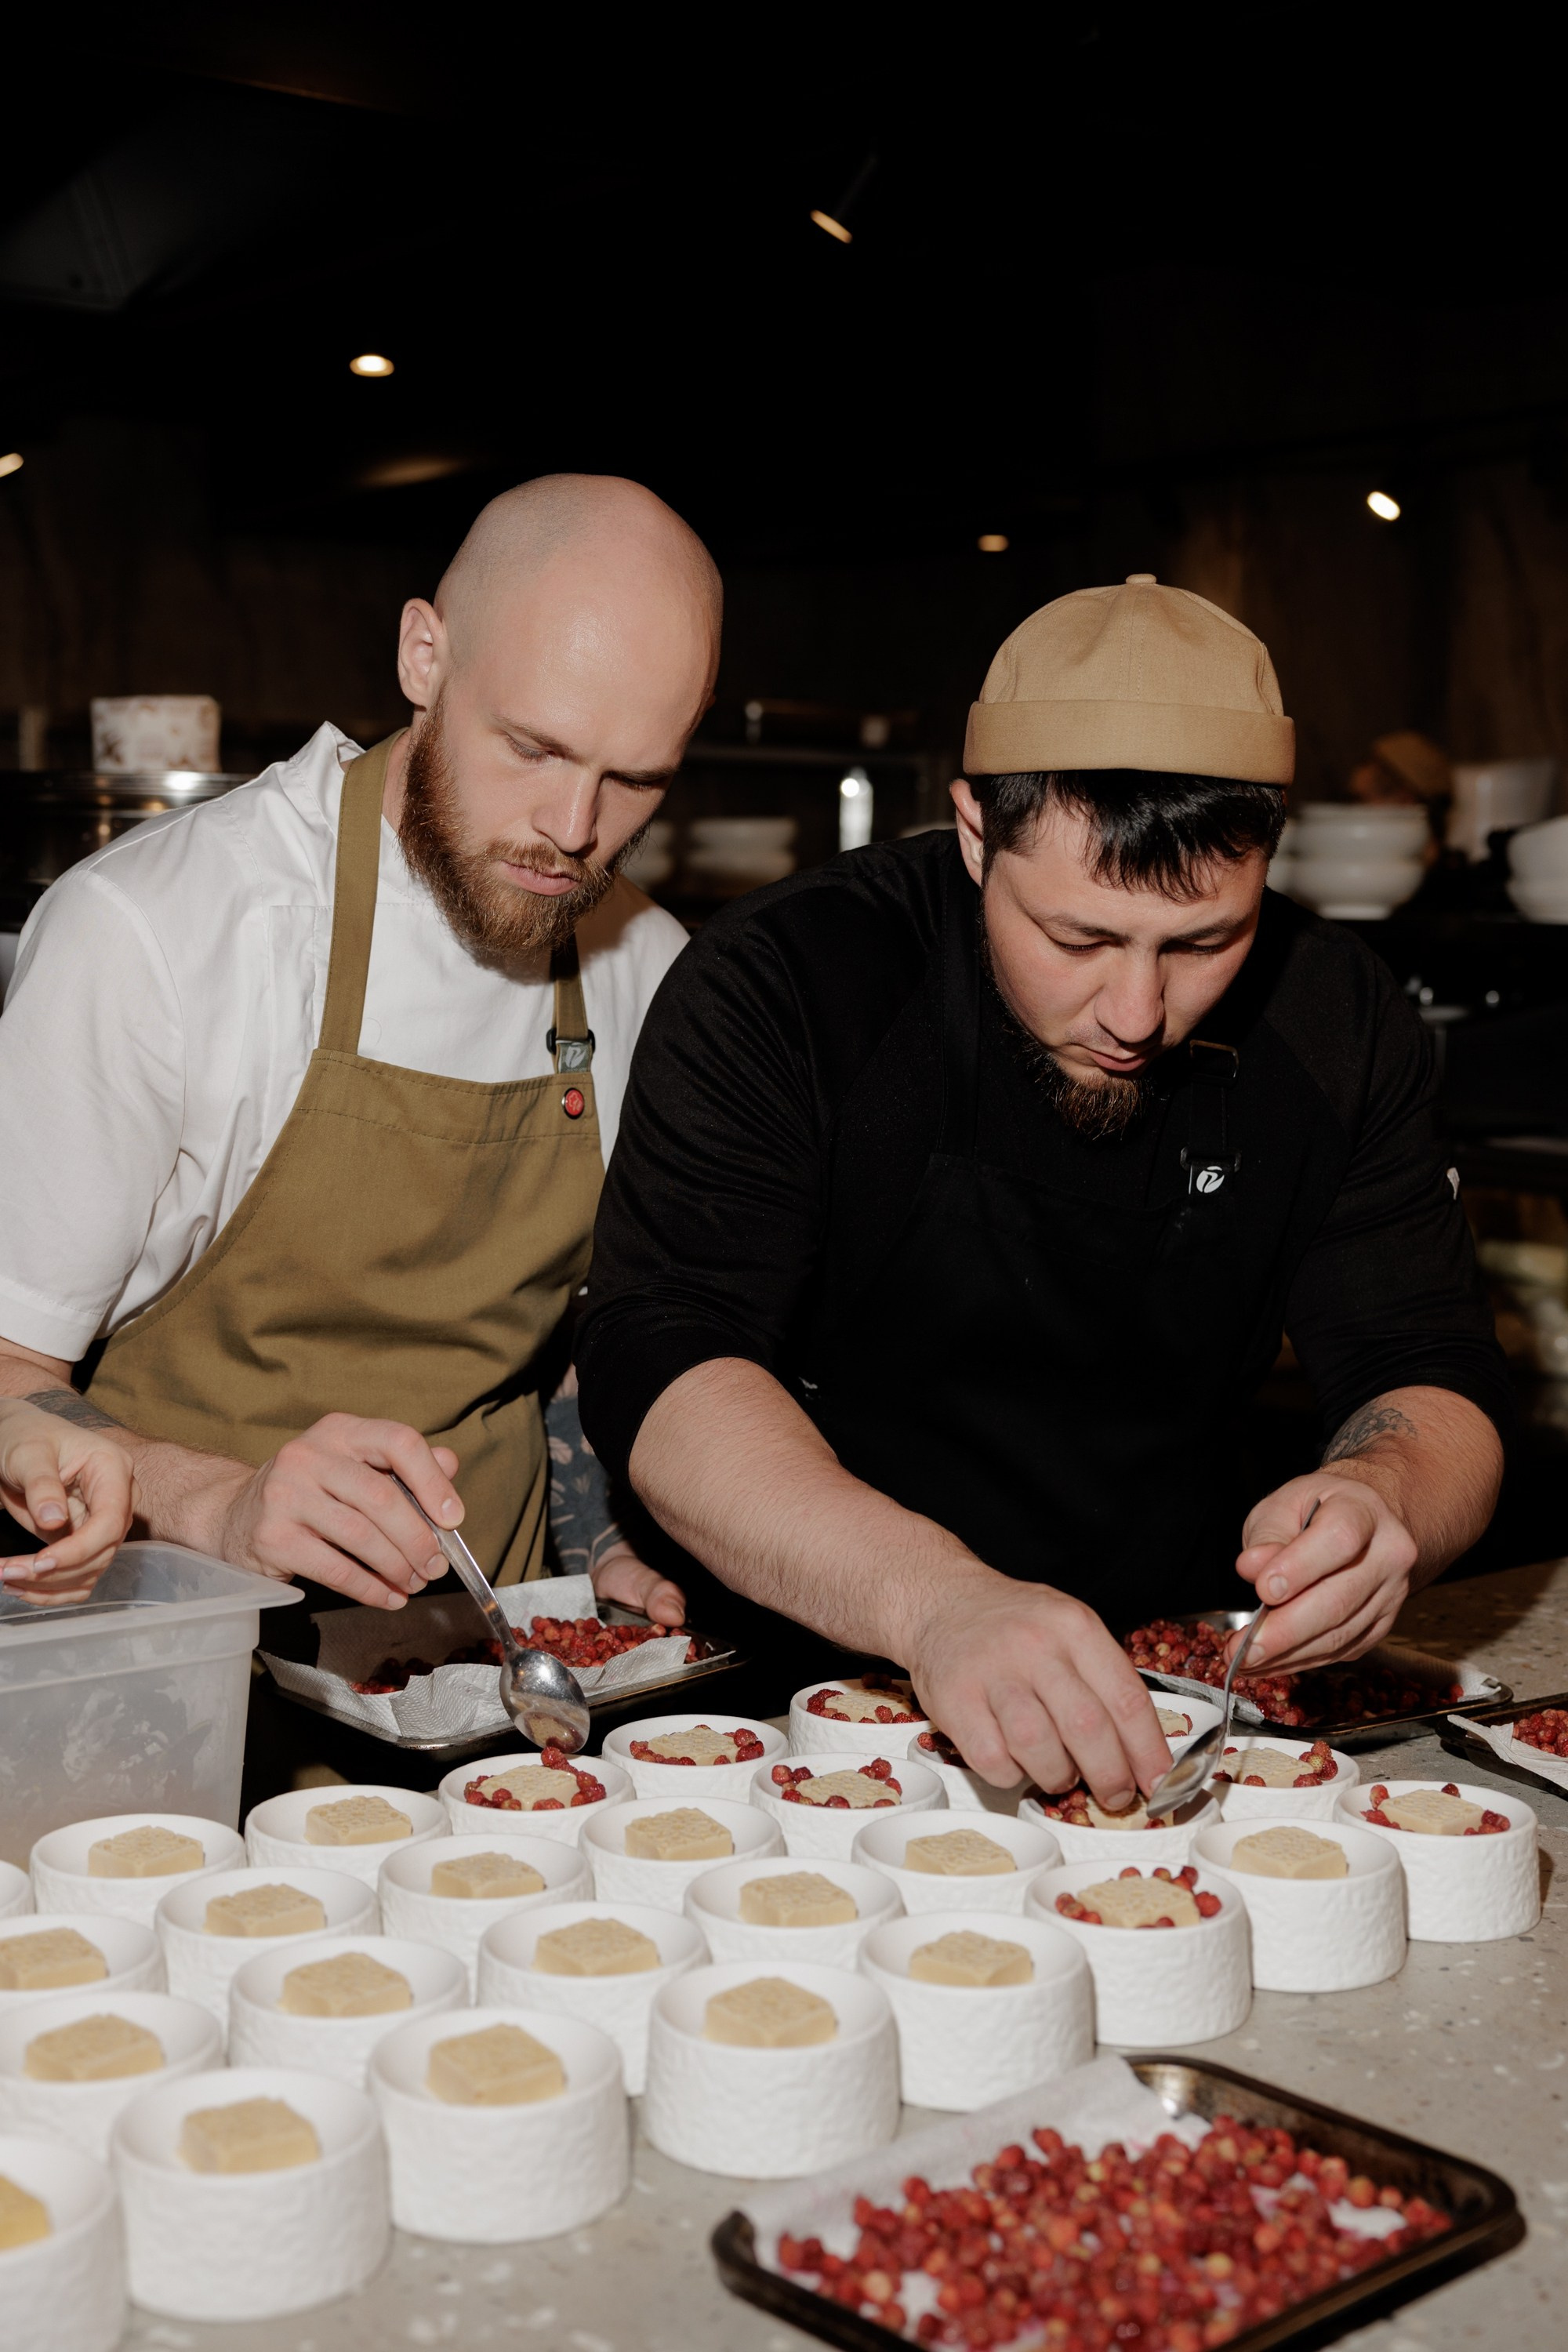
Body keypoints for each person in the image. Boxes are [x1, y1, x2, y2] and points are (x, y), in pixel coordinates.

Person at [576, 575, 1509, 1805]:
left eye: (1201, 944)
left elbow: (1430, 1363)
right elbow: (664, 1350)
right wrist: (938, 1601)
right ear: (975, 834)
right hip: (810, 1690)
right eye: (1078, 941)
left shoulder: (1340, 1017)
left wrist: (1388, 1498)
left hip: (1170, 1689)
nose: (1136, 1015)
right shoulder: (789, 982)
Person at [0, 474, 714, 1625]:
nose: (575, 831)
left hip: (503, 1682)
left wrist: (615, 1540)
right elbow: (6, 1373)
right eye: (533, 747)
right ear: (423, 656)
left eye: (635, 780)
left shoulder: (648, 966)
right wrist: (224, 1506)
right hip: (185, 1675)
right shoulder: (155, 934)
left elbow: (586, 1346)